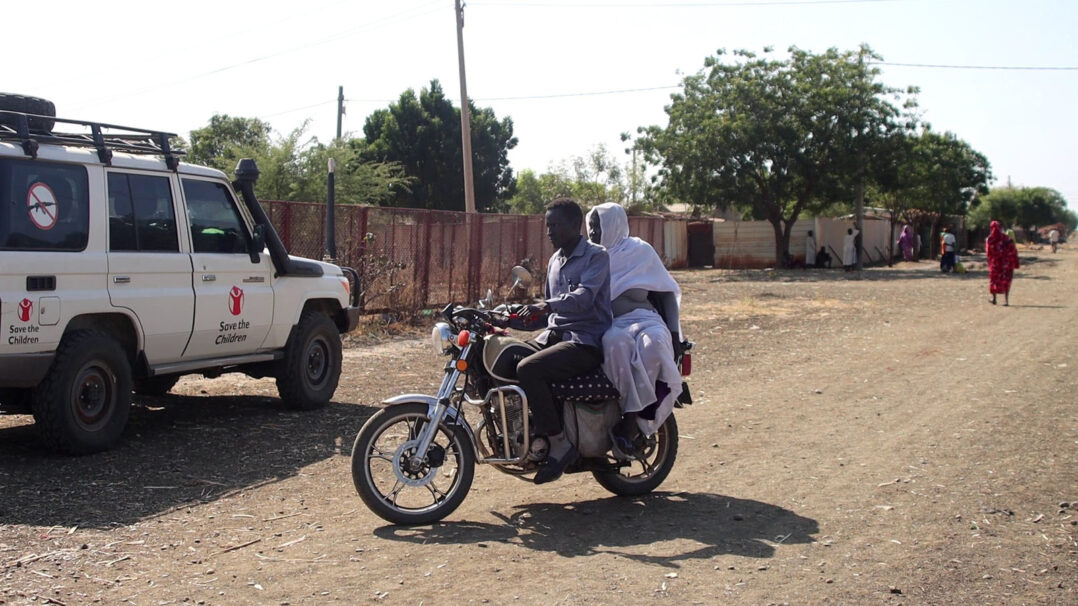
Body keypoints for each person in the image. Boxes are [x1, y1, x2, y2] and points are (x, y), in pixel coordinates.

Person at [516, 198, 612, 484]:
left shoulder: (597, 256)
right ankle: (528, 434)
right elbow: (548, 312)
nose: (549, 231)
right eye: (547, 226)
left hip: (585, 341)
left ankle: (559, 442)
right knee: (508, 358)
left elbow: (583, 298)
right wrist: (505, 318)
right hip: (555, 336)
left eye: (555, 225)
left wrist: (546, 306)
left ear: (575, 224)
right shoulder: (554, 260)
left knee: (528, 369)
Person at [585, 203, 683, 456]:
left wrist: (674, 333)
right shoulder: (590, 257)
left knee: (655, 346)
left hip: (646, 318)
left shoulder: (641, 251)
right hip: (612, 324)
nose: (593, 232)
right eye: (591, 226)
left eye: (599, 226)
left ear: (614, 225)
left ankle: (631, 422)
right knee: (613, 344)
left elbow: (667, 293)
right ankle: (624, 413)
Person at [985, 220, 1020, 306]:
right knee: (1006, 281)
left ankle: (994, 299)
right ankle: (1006, 301)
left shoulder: (989, 239)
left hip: (995, 264)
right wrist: (1015, 263)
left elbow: (988, 253)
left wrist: (991, 261)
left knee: (994, 281)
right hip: (1007, 264)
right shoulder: (1008, 239)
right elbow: (1013, 251)